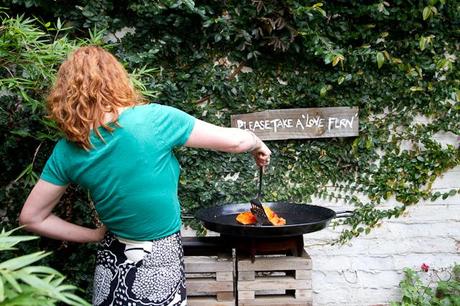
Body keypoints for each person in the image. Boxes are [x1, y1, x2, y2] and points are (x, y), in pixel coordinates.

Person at [19, 46, 271, 306]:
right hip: (161, 258)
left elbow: (31, 218)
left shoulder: (67, 150)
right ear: (116, 79)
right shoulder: (154, 119)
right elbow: (236, 142)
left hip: (111, 259)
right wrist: (258, 143)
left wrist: (94, 235)